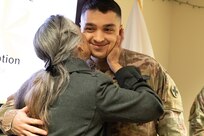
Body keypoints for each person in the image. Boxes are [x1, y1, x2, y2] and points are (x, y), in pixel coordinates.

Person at [0, 0, 187, 135]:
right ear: (79, 32)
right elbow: (8, 107)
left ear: (120, 32)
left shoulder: (149, 68)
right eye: (90, 29)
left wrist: (117, 67)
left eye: (108, 29)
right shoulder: (63, 71)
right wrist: (11, 119)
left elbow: (171, 125)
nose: (98, 38)